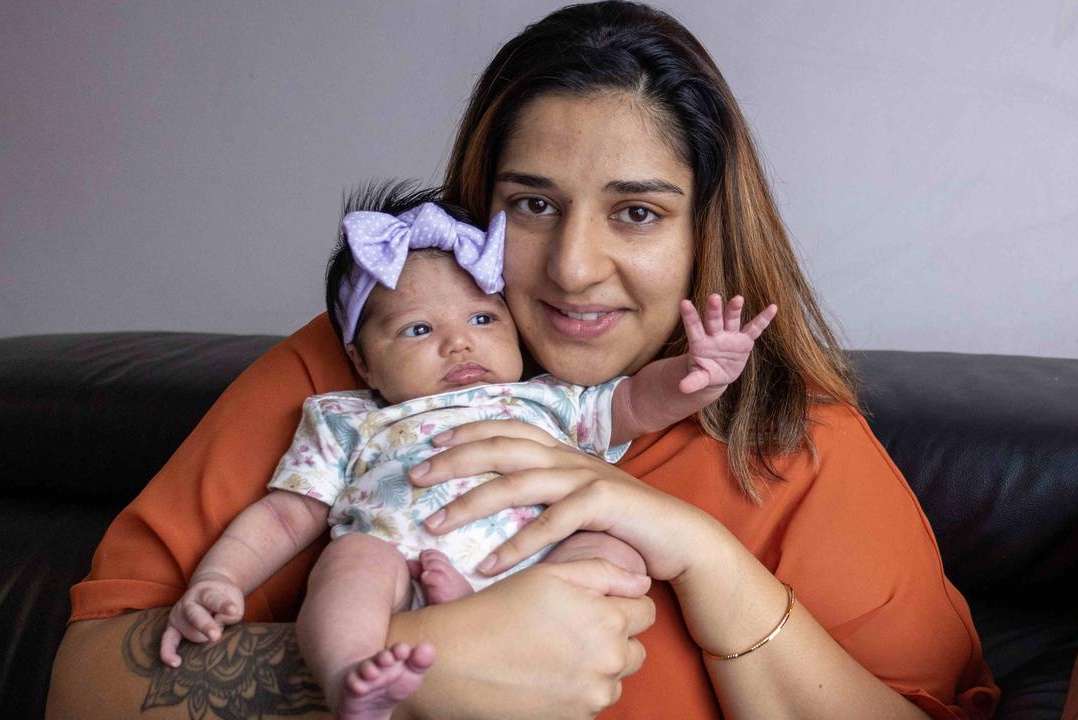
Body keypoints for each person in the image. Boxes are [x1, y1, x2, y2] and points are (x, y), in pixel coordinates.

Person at [48, 2, 1001, 718]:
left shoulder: (799, 443)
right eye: (533, 206)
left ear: (705, 233)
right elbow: (80, 690)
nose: (576, 269)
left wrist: (700, 555)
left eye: (637, 212)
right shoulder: (348, 376)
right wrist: (426, 666)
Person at [156, 189, 776, 720]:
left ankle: (526, 639)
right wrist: (220, 578)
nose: (459, 343)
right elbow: (285, 515)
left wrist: (702, 373)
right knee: (349, 563)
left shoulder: (546, 400)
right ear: (362, 361)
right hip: (401, 565)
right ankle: (354, 678)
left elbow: (637, 404)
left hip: (541, 578)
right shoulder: (349, 421)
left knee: (615, 542)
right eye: (419, 330)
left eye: (484, 318)